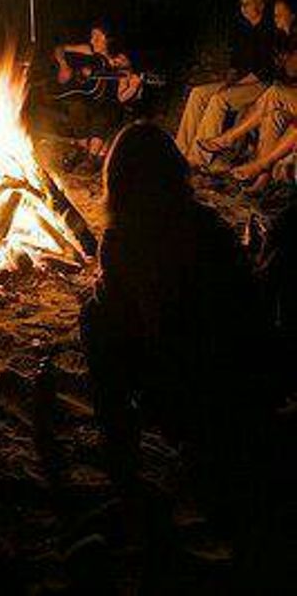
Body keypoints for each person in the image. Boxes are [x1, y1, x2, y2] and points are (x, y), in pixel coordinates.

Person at [80, 123, 276, 511]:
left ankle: (121, 448)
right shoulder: (210, 225)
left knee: (94, 315)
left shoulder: (123, 239)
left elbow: (136, 320)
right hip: (250, 384)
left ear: (116, 179)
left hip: (186, 392)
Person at [197, 0, 297, 190]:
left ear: (293, 15)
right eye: (274, 15)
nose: (275, 20)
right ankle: (261, 181)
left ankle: (229, 139)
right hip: (280, 94)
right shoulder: (268, 36)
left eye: (279, 15)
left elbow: (277, 74)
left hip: (273, 90)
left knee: (273, 94)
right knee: (272, 116)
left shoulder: (286, 39)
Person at [176, 0, 274, 168]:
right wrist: (229, 81)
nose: (242, 8)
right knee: (198, 93)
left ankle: (198, 158)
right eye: (241, 4)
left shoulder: (269, 31)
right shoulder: (243, 30)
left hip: (260, 83)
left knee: (219, 99)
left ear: (259, 5)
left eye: (247, 4)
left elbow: (263, 71)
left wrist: (231, 87)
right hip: (241, 81)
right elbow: (235, 64)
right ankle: (180, 151)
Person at [52, 22, 143, 164]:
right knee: (77, 106)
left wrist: (133, 87)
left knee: (104, 113)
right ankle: (82, 149)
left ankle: (91, 156)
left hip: (107, 102)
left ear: (108, 40)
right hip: (87, 97)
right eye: (91, 36)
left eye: (97, 37)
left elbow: (120, 97)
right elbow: (59, 48)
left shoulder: (120, 60)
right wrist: (64, 66)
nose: (91, 40)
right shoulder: (88, 50)